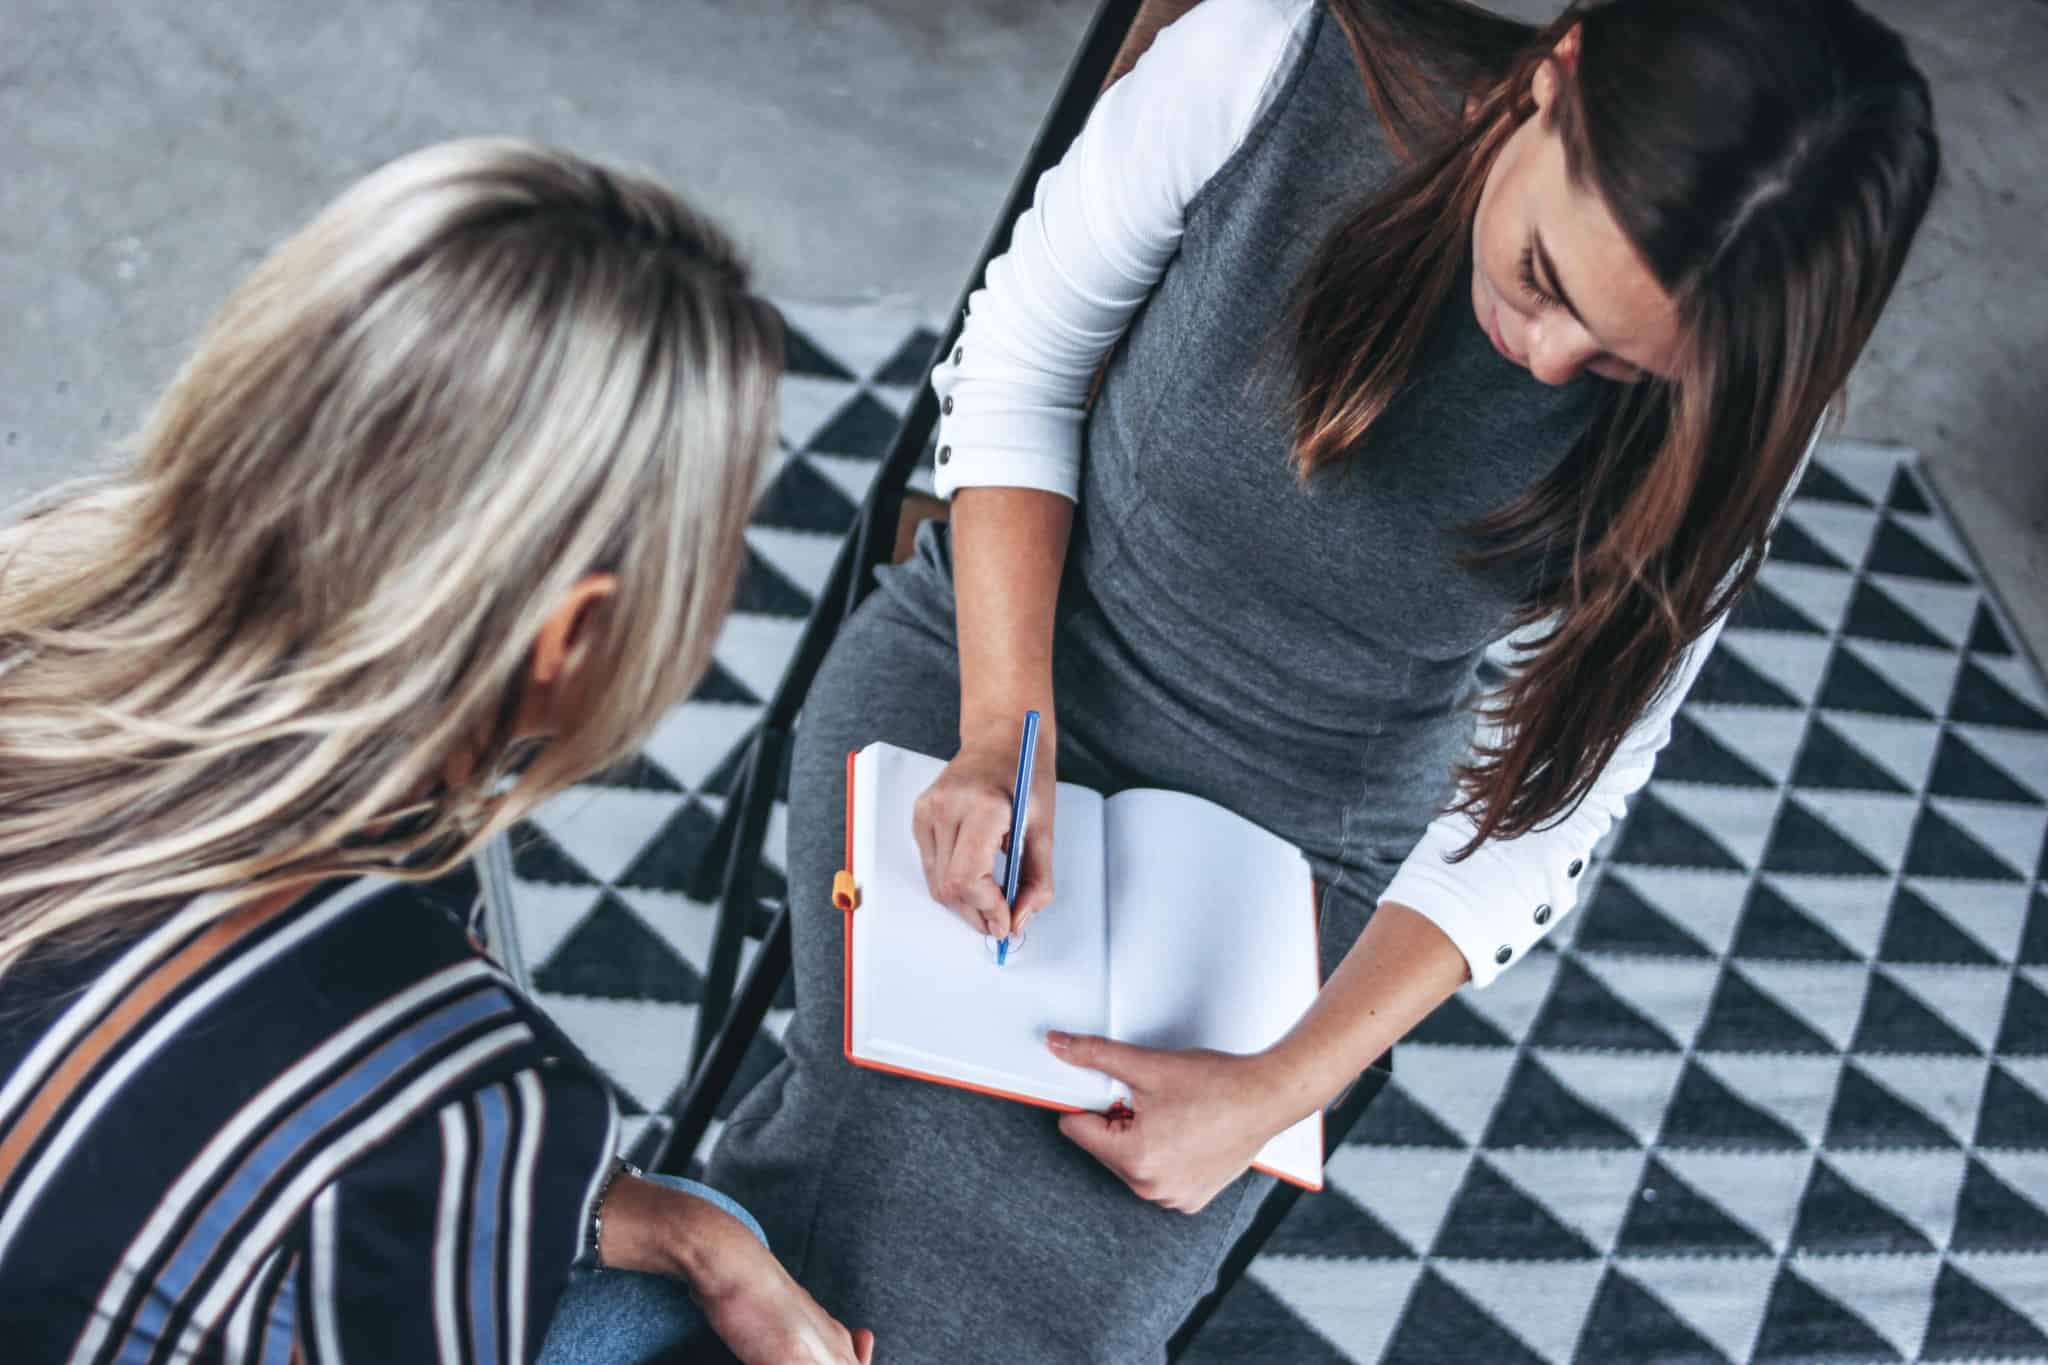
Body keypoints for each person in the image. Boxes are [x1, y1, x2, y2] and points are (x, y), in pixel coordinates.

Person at [707, 0, 1940, 1359]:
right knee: (855, 1174)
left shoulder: (1741, 400)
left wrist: (1275, 1088)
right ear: (1555, 75)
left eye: (1623, 365)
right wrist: (1005, 723)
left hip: (1316, 841)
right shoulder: (1268, 61)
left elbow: (1560, 795)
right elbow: (1019, 366)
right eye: (1546, 279)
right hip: (1007, 653)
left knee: (1079, 1290)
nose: (1546, 361)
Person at [0, 140, 874, 1365]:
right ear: (569, 635)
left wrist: (684, 1231)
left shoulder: (35, 608)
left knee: (707, 1232)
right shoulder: (462, 1093)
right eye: (718, 543)